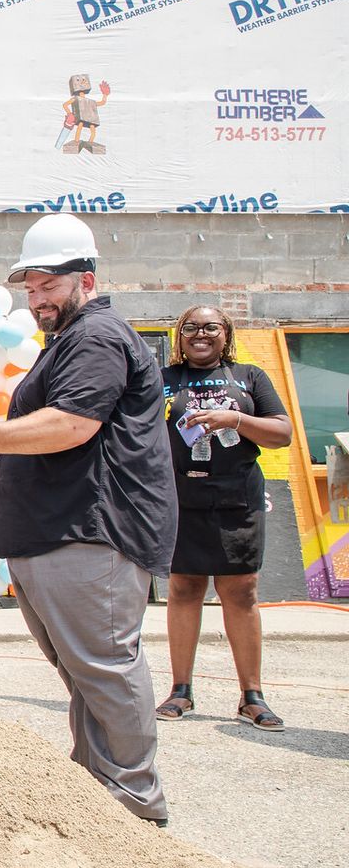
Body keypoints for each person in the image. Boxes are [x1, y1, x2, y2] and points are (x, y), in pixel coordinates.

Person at [0, 213, 175, 826]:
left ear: (86, 280)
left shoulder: (95, 338)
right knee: (85, 673)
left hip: (90, 531)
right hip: (58, 532)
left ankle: (135, 800)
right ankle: (101, 794)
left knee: (103, 665)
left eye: (49, 285)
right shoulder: (71, 342)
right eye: (31, 288)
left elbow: (74, 424)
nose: (38, 298)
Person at [153, 305, 292, 730]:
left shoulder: (250, 377)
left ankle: (252, 696)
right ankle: (181, 690)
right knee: (183, 588)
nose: (200, 334)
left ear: (225, 334)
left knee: (242, 592)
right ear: (179, 336)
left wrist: (235, 418)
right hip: (181, 496)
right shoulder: (163, 380)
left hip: (237, 497)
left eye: (211, 327)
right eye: (190, 327)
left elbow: (282, 434)